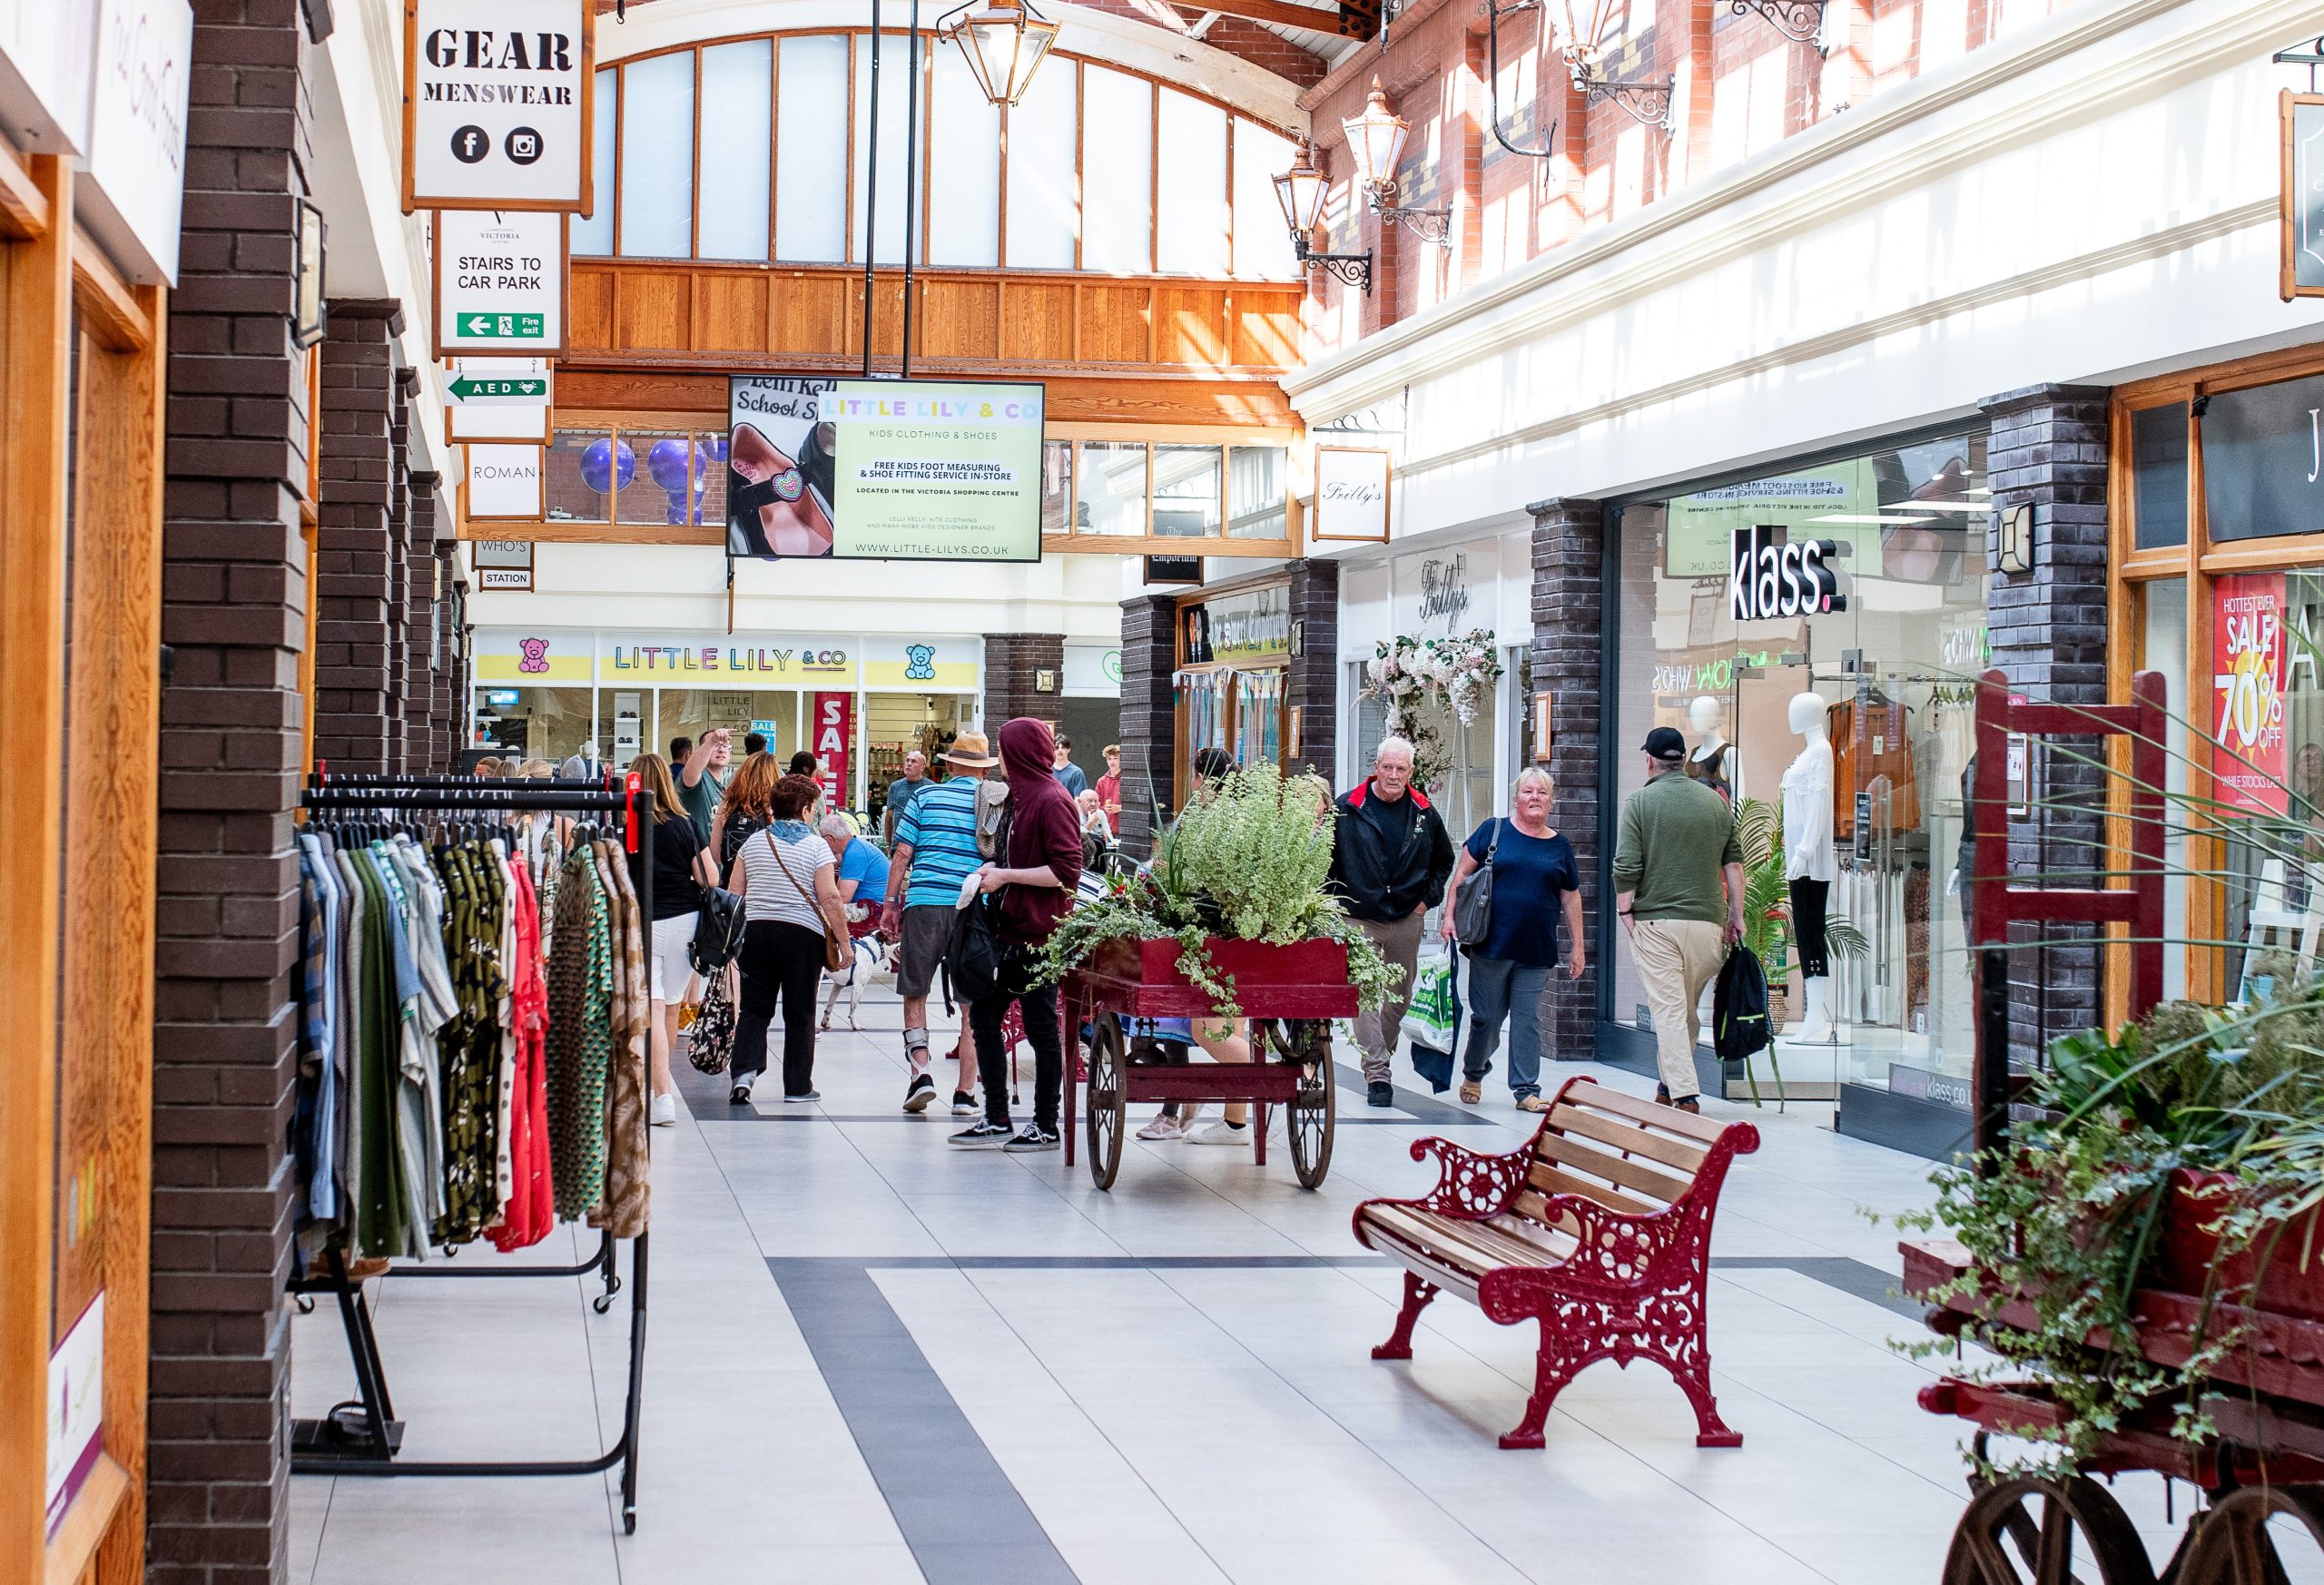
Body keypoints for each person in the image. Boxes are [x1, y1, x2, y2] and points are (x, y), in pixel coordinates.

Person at [950, 719, 1082, 1152]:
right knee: (986, 1020)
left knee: (1042, 1028)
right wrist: (995, 871)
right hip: (1009, 933)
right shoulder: (1018, 798)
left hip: (1039, 937)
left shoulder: (1052, 800)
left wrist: (1005, 874)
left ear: (1020, 753)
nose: (1000, 760)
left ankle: (1046, 1123)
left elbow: (1067, 873)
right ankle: (996, 1116)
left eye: (1004, 751)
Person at [1611, 726, 1747, 1114]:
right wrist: (1736, 916)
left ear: (1650, 761)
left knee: (1669, 1011)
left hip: (1657, 924)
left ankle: (1685, 1095)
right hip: (1707, 925)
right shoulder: (1715, 802)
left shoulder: (1640, 802)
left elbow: (1626, 866)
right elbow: (1733, 863)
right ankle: (1667, 1087)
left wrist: (1625, 910)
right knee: (1684, 1011)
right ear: (1683, 760)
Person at [1440, 768, 1583, 1113]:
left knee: (1528, 1019)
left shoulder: (1560, 846)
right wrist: (1448, 917)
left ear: (1551, 800)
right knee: (1487, 1017)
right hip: (1492, 943)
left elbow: (1571, 897)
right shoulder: (1494, 830)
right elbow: (1462, 875)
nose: (1535, 798)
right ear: (1516, 798)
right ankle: (1474, 1072)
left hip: (1536, 948)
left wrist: (1578, 945)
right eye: (1528, 792)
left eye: (1542, 793)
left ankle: (1526, 1090)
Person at [1327, 737, 1455, 1108]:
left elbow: (1443, 862)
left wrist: (1425, 902)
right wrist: (1334, 903)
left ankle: (1377, 1051)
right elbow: (1327, 859)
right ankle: (1378, 1074)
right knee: (1365, 995)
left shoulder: (1424, 812)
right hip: (1357, 916)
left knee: (1399, 997)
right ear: (1376, 768)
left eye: (1401, 769)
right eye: (1388, 767)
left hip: (1404, 917)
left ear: (1410, 772)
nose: (1394, 775)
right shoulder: (1349, 808)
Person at [881, 733, 998, 1115]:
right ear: (983, 771)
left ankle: (920, 1075)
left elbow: (902, 853)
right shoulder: (993, 802)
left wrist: (891, 903)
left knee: (915, 992)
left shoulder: (924, 797)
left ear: (948, 766)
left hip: (925, 903)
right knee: (972, 1006)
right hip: (972, 908)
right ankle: (965, 1094)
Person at [726, 774, 851, 1105]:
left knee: (754, 1009)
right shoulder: (816, 846)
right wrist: (844, 941)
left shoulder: (753, 844)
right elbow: (831, 898)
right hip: (801, 935)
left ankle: (744, 1075)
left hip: (757, 932)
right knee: (800, 1011)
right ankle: (797, 1086)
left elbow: (734, 894)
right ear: (807, 810)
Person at [628, 754, 702, 1127]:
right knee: (671, 1006)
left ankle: (661, 1096)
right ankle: (662, 1087)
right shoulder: (685, 824)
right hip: (686, 921)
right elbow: (710, 878)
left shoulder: (628, 823)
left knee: (654, 1009)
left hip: (646, 922)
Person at [820, 812, 890, 919]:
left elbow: (843, 898)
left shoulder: (854, 854)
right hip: (874, 906)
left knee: (819, 915)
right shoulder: (854, 848)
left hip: (874, 910)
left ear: (829, 839)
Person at [677, 727, 733, 844]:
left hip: (714, 860)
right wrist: (711, 741)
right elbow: (691, 771)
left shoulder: (723, 788)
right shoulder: (698, 777)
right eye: (716, 746)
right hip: (694, 858)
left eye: (725, 746)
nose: (721, 750)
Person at [884, 750, 931, 843]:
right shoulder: (895, 787)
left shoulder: (930, 788)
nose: (909, 764)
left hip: (922, 844)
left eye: (913, 761)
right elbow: (889, 816)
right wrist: (888, 843)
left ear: (922, 768)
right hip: (899, 842)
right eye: (907, 760)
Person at [1052, 733, 1088, 798]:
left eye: (1063, 748)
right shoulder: (1047, 771)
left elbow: (1079, 800)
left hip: (1069, 808)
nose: (1060, 750)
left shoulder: (1077, 773)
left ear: (1068, 750)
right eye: (1057, 748)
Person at [1096, 744, 1123, 826]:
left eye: (1115, 758)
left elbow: (1135, 805)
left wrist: (1120, 808)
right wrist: (1104, 808)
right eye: (1109, 759)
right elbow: (1096, 805)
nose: (1112, 762)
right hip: (1106, 828)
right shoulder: (1101, 781)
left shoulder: (1128, 780)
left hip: (1124, 827)